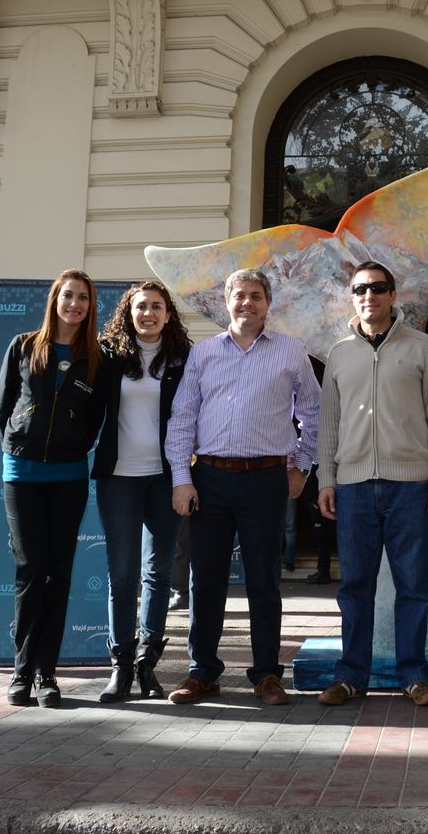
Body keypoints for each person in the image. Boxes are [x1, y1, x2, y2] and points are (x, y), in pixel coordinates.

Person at [164, 269, 320, 707]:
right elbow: (183, 418)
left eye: (256, 296)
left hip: (266, 479)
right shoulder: (204, 353)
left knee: (264, 580)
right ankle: (203, 673)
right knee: (205, 580)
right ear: (226, 303)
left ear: (268, 303)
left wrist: (302, 467)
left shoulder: (292, 352)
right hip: (210, 478)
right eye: (239, 296)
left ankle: (267, 674)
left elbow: (314, 411)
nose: (247, 303)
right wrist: (182, 478)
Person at [315, 261, 428, 707]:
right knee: (355, 585)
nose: (369, 296)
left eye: (378, 288)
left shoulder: (422, 347)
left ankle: (414, 676)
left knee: (413, 584)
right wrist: (326, 479)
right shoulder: (338, 353)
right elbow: (328, 426)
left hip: (410, 484)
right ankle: (350, 675)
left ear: (394, 295)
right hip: (354, 486)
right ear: (351, 297)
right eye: (360, 289)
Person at [0, 269, 109, 708]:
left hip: (68, 477)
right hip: (22, 474)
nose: (75, 304)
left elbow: (96, 416)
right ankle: (21, 671)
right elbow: (4, 406)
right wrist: (17, 446)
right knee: (30, 570)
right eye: (68, 296)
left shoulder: (97, 359)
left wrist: (74, 442)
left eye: (83, 298)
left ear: (90, 306)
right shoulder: (23, 346)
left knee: (58, 575)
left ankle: (47, 673)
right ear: (55, 300)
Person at [92, 280, 191, 703]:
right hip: (119, 478)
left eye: (156, 306)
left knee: (159, 573)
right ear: (128, 313)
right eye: (140, 307)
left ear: (168, 314)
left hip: (165, 477)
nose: (148, 313)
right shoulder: (107, 357)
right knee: (123, 574)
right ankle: (121, 667)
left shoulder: (184, 360)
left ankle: (148, 665)